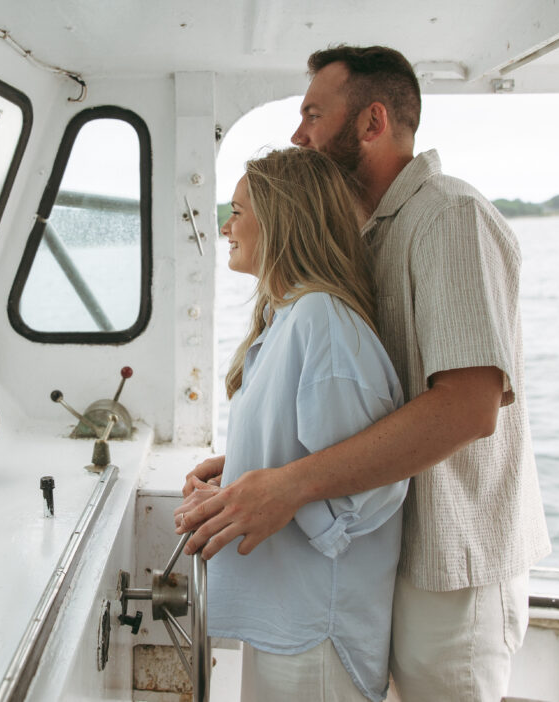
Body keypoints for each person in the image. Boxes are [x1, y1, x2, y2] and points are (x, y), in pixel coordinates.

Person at [175, 45, 551, 701]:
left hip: (453, 561)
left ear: (372, 123)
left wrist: (287, 484)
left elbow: (468, 408)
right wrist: (252, 468)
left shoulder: (447, 217)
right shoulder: (372, 235)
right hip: (394, 544)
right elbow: (353, 403)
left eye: (314, 115)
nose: (299, 135)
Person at [179, 147, 408, 701]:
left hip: (317, 632)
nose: (225, 227)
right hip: (287, 618)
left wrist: (273, 496)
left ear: (280, 221)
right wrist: (236, 483)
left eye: (237, 211)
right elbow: (303, 460)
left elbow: (373, 486)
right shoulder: (289, 316)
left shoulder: (322, 321)